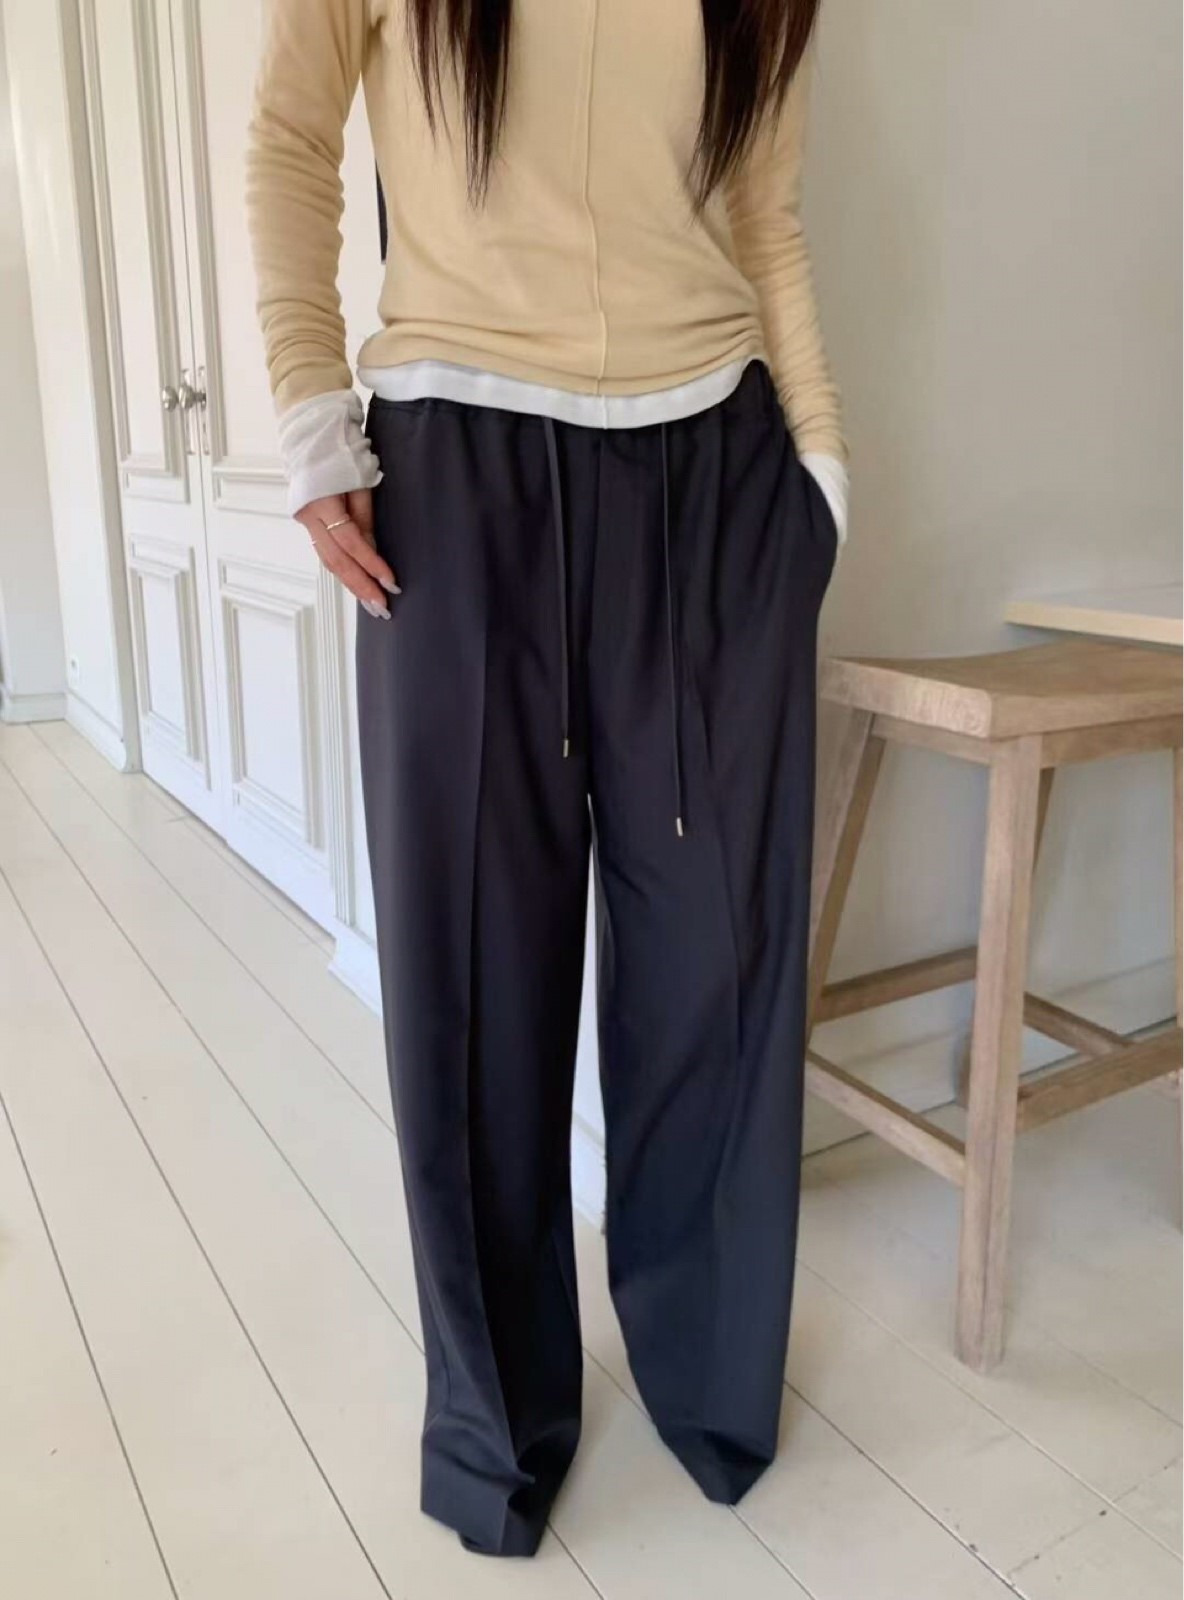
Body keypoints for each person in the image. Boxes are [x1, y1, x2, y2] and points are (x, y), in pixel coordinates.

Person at [247, 0, 847, 1558]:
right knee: (472, 984)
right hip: (456, 471)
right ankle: (495, 1432)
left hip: (717, 471)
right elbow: (292, 137)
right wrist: (313, 420)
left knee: (718, 966)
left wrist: (825, 472)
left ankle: (711, 1380)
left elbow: (764, 211)